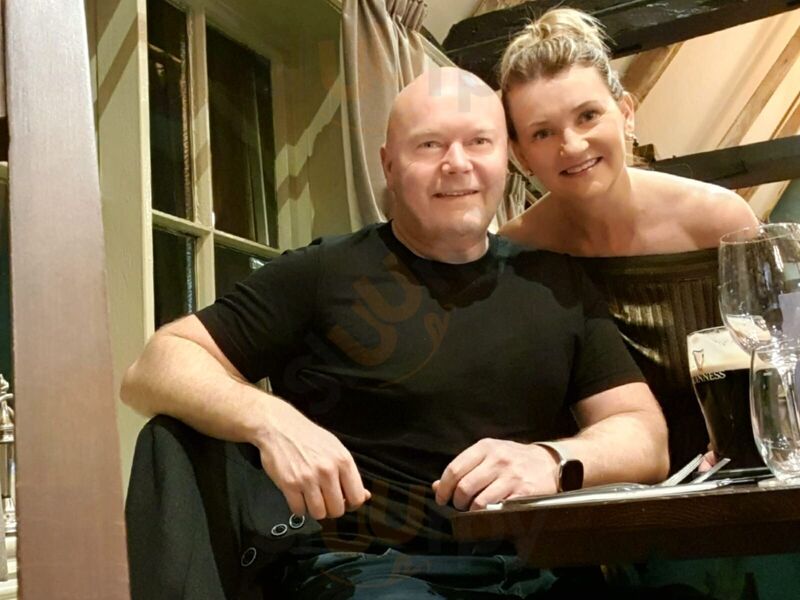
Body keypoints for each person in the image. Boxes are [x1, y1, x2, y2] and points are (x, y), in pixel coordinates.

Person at [121, 66, 669, 599]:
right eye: (429, 145)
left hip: (546, 572)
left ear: (506, 156)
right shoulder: (324, 273)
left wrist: (551, 460)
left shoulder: (557, 283)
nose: (457, 164)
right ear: (388, 164)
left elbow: (645, 436)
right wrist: (271, 420)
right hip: (372, 571)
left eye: (479, 142)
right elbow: (156, 364)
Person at [497, 7, 759, 471]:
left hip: (736, 479)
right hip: (593, 492)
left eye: (588, 116)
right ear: (519, 154)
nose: (572, 145)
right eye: (543, 133)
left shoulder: (719, 221)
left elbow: (785, 361)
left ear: (625, 113)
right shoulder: (516, 252)